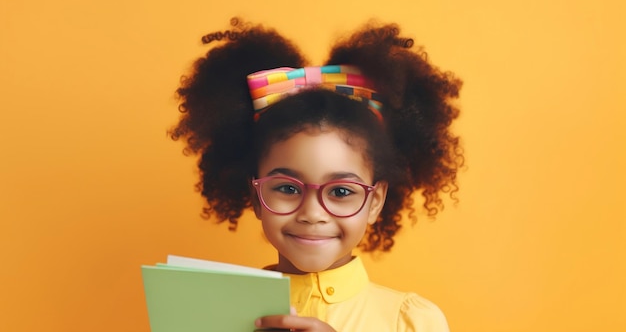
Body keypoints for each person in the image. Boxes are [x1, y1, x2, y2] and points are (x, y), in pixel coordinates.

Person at [169, 18, 463, 332]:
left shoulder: (412, 322)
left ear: (375, 201)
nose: (312, 213)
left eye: (340, 191)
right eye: (287, 188)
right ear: (256, 196)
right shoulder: (211, 320)